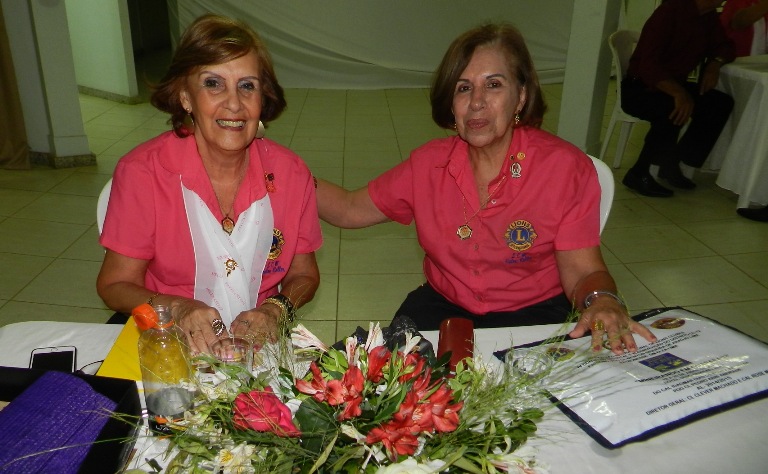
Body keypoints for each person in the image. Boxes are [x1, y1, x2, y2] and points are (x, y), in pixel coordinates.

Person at [317, 23, 656, 355]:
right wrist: (288, 174)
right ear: (451, 104)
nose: (476, 102)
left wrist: (602, 301)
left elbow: (583, 271)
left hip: (536, 312)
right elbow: (349, 208)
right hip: (443, 308)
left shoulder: (564, 168)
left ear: (520, 96)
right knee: (394, 382)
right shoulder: (428, 165)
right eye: (463, 88)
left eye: (493, 84)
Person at [96, 14, 321, 354]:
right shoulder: (142, 173)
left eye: (247, 86)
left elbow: (305, 275)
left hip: (258, 341)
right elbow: (115, 284)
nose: (234, 103)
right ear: (186, 97)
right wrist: (177, 307)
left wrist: (276, 309)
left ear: (262, 99)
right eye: (213, 83)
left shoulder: (291, 173)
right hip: (168, 337)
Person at [620, 0, 735, 198]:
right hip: (641, 87)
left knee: (719, 103)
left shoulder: (708, 16)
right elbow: (648, 65)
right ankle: (639, 172)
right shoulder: (670, 12)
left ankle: (672, 160)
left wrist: (715, 63)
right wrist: (679, 93)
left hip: (674, 84)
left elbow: (725, 46)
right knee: (672, 108)